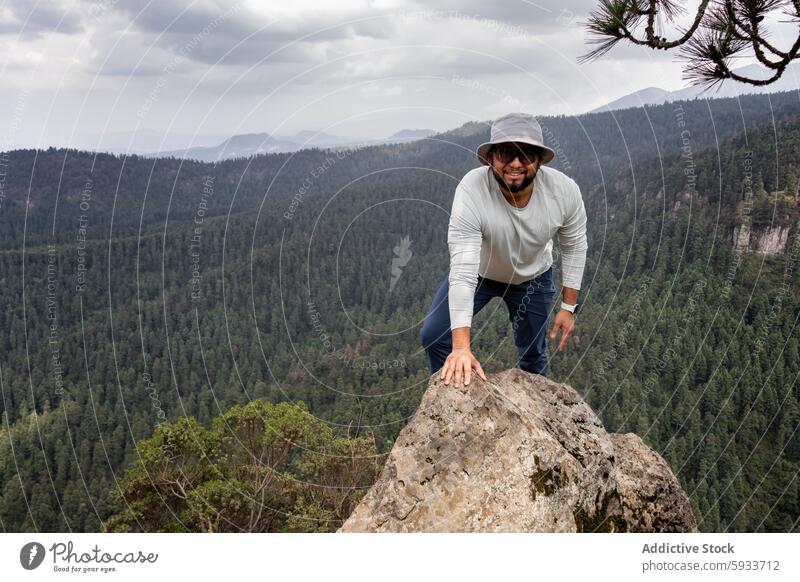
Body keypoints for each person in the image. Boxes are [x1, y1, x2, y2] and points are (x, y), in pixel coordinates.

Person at [419, 112, 588, 386]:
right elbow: (462, 270)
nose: (516, 163)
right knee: (435, 335)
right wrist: (461, 348)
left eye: (527, 153)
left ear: (540, 160)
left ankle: (535, 413)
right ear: (490, 158)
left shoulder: (564, 192)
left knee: (533, 355)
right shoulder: (472, 189)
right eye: (506, 153)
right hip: (480, 274)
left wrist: (569, 307)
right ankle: (452, 392)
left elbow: (574, 245)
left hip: (532, 279)